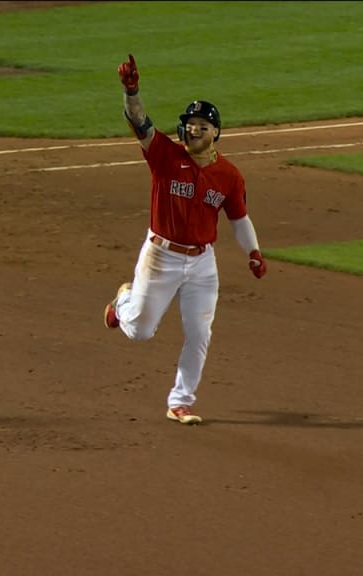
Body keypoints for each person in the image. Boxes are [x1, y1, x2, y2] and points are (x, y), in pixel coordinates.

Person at [103, 54, 268, 425]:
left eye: (201, 125)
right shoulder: (163, 156)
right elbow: (139, 120)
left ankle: (181, 402)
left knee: (200, 332)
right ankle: (123, 301)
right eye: (189, 124)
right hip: (160, 256)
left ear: (216, 133)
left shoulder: (229, 176)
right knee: (141, 332)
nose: (192, 130)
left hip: (202, 263)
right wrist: (131, 91)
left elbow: (239, 219)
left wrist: (253, 251)